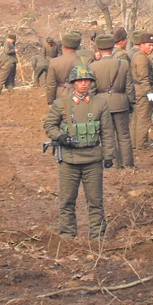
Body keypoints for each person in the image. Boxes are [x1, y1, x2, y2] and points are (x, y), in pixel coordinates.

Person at [43, 66, 115, 239]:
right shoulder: (61, 104)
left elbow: (107, 131)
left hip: (93, 159)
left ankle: (97, 236)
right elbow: (49, 125)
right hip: (69, 159)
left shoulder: (100, 104)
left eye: (86, 80)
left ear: (91, 82)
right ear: (73, 83)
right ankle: (67, 235)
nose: (83, 84)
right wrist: (60, 136)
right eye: (79, 81)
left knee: (95, 200)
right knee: (67, 199)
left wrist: (108, 155)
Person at [90, 34, 135, 168]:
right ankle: (128, 164)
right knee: (124, 135)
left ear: (98, 49)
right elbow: (129, 87)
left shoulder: (92, 67)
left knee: (107, 136)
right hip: (121, 102)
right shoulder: (124, 64)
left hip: (102, 104)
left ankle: (114, 164)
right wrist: (130, 103)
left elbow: (91, 90)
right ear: (112, 48)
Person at [130, 32, 153, 150]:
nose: (151, 48)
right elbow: (143, 78)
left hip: (139, 90)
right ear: (141, 45)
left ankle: (134, 143)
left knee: (137, 117)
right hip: (143, 91)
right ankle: (141, 144)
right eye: (149, 45)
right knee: (144, 118)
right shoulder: (141, 58)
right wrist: (149, 92)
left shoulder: (139, 56)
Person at [46, 31, 82, 103]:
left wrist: (50, 101)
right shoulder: (83, 61)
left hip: (60, 95)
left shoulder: (54, 62)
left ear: (63, 46)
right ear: (78, 46)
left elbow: (51, 84)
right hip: (78, 96)